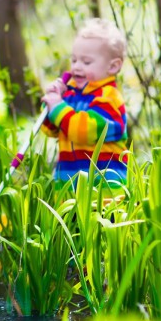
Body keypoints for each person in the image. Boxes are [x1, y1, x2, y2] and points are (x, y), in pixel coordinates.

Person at [41, 18, 128, 196]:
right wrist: (50, 105)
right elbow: (51, 131)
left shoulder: (110, 99)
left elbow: (82, 131)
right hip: (69, 189)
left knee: (99, 224)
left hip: (103, 193)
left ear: (113, 66)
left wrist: (58, 107)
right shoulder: (71, 95)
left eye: (86, 62)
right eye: (74, 60)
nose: (76, 67)